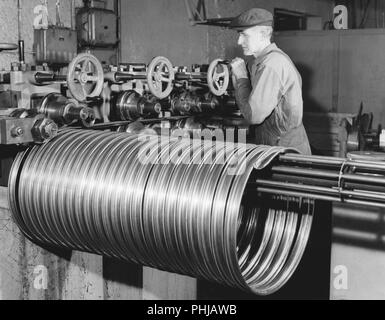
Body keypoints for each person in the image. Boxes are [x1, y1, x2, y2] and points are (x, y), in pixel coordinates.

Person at [229, 8, 312, 155]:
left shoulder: (272, 64)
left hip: (284, 148)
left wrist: (241, 78)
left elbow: (253, 115)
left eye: (244, 35)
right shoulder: (261, 62)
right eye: (239, 35)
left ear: (263, 34)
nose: (239, 41)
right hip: (272, 143)